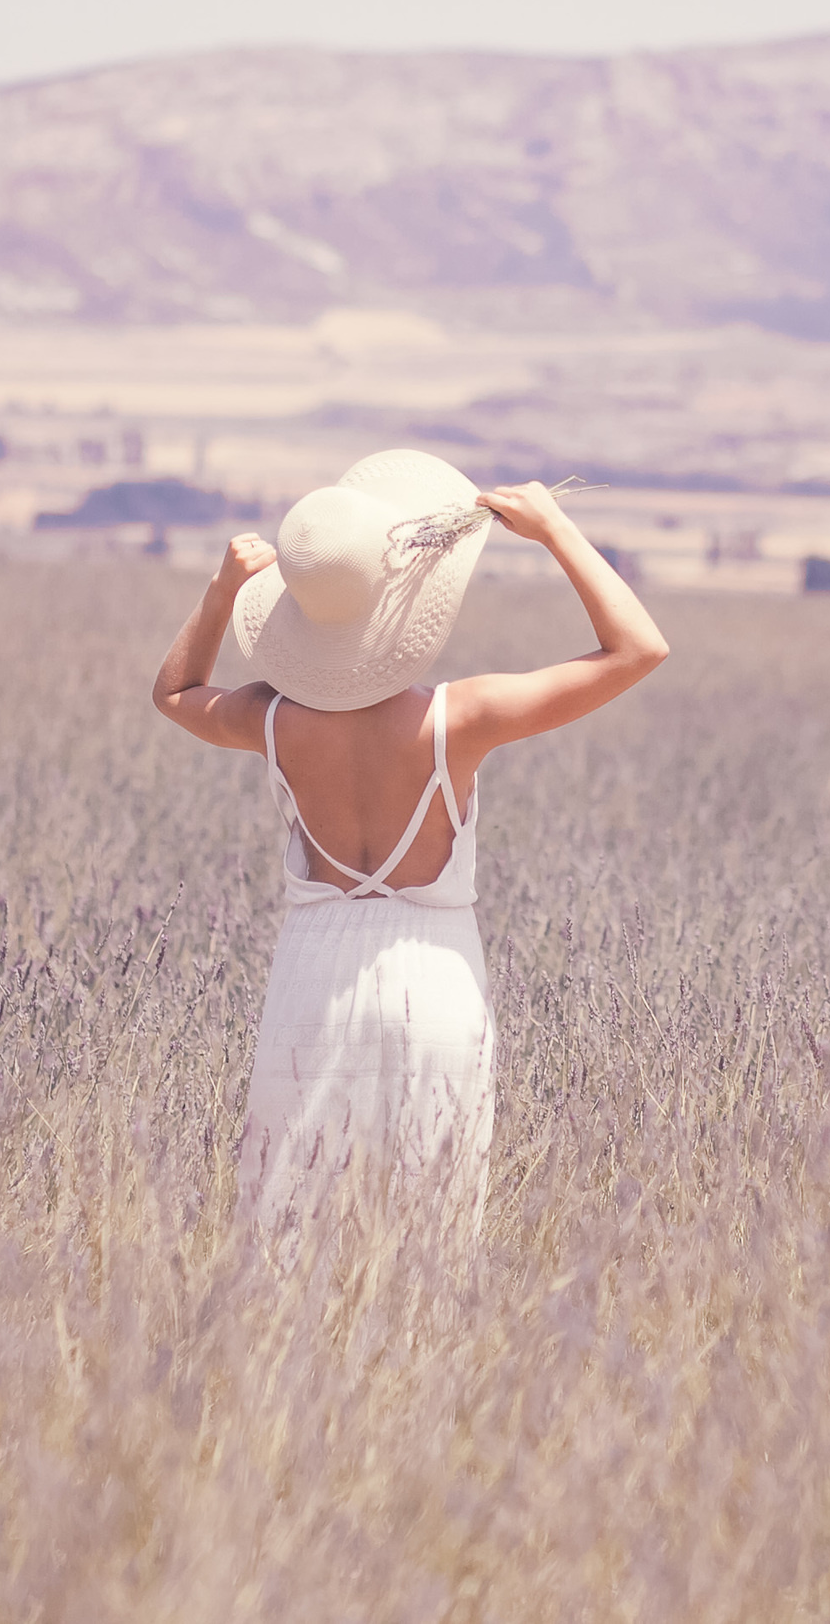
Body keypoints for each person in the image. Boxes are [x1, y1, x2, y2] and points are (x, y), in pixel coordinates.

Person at [151, 449, 668, 1257]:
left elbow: (175, 693)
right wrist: (555, 529)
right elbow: (638, 648)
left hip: (314, 982)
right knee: (430, 1234)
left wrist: (221, 592)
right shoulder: (460, 719)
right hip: (436, 985)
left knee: (292, 1226)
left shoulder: (272, 719)